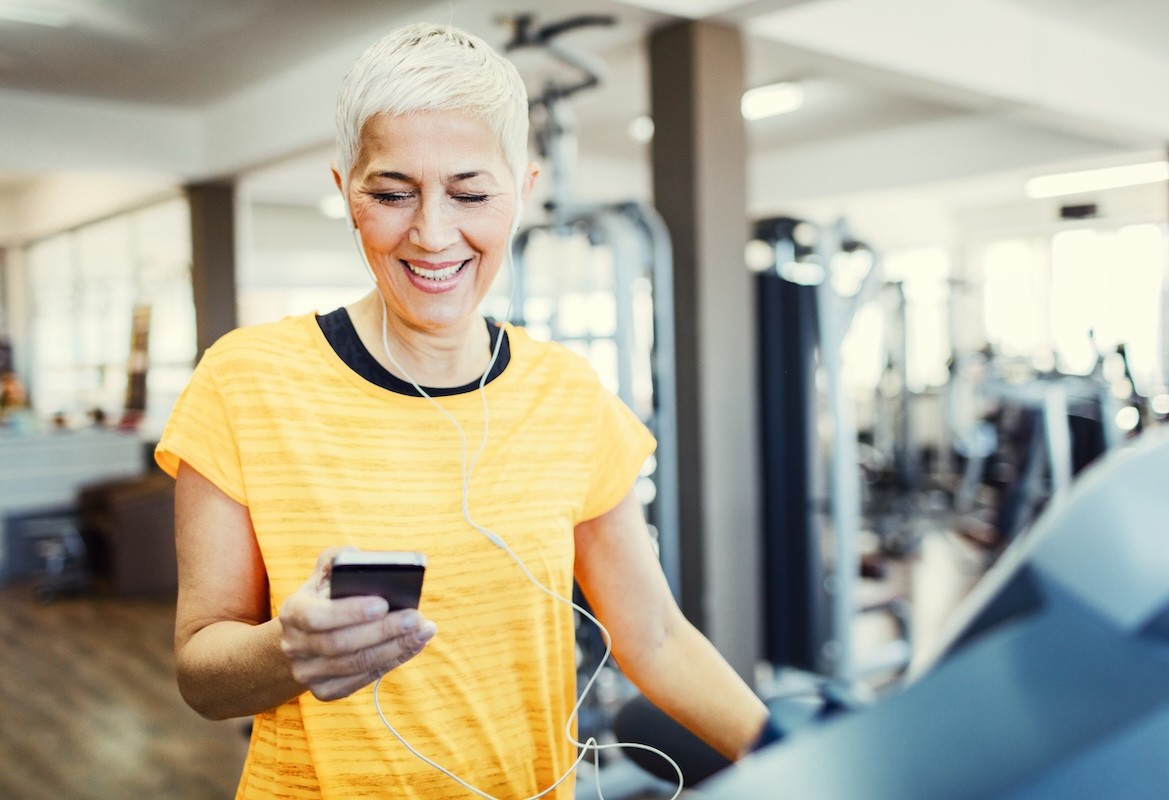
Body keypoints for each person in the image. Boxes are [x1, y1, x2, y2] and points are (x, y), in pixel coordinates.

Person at [156, 21, 769, 799]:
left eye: (471, 192)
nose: (433, 234)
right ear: (346, 189)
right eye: (391, 192)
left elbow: (653, 636)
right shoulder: (243, 381)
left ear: (526, 190)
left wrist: (800, 753)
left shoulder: (568, 394)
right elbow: (201, 677)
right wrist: (288, 653)